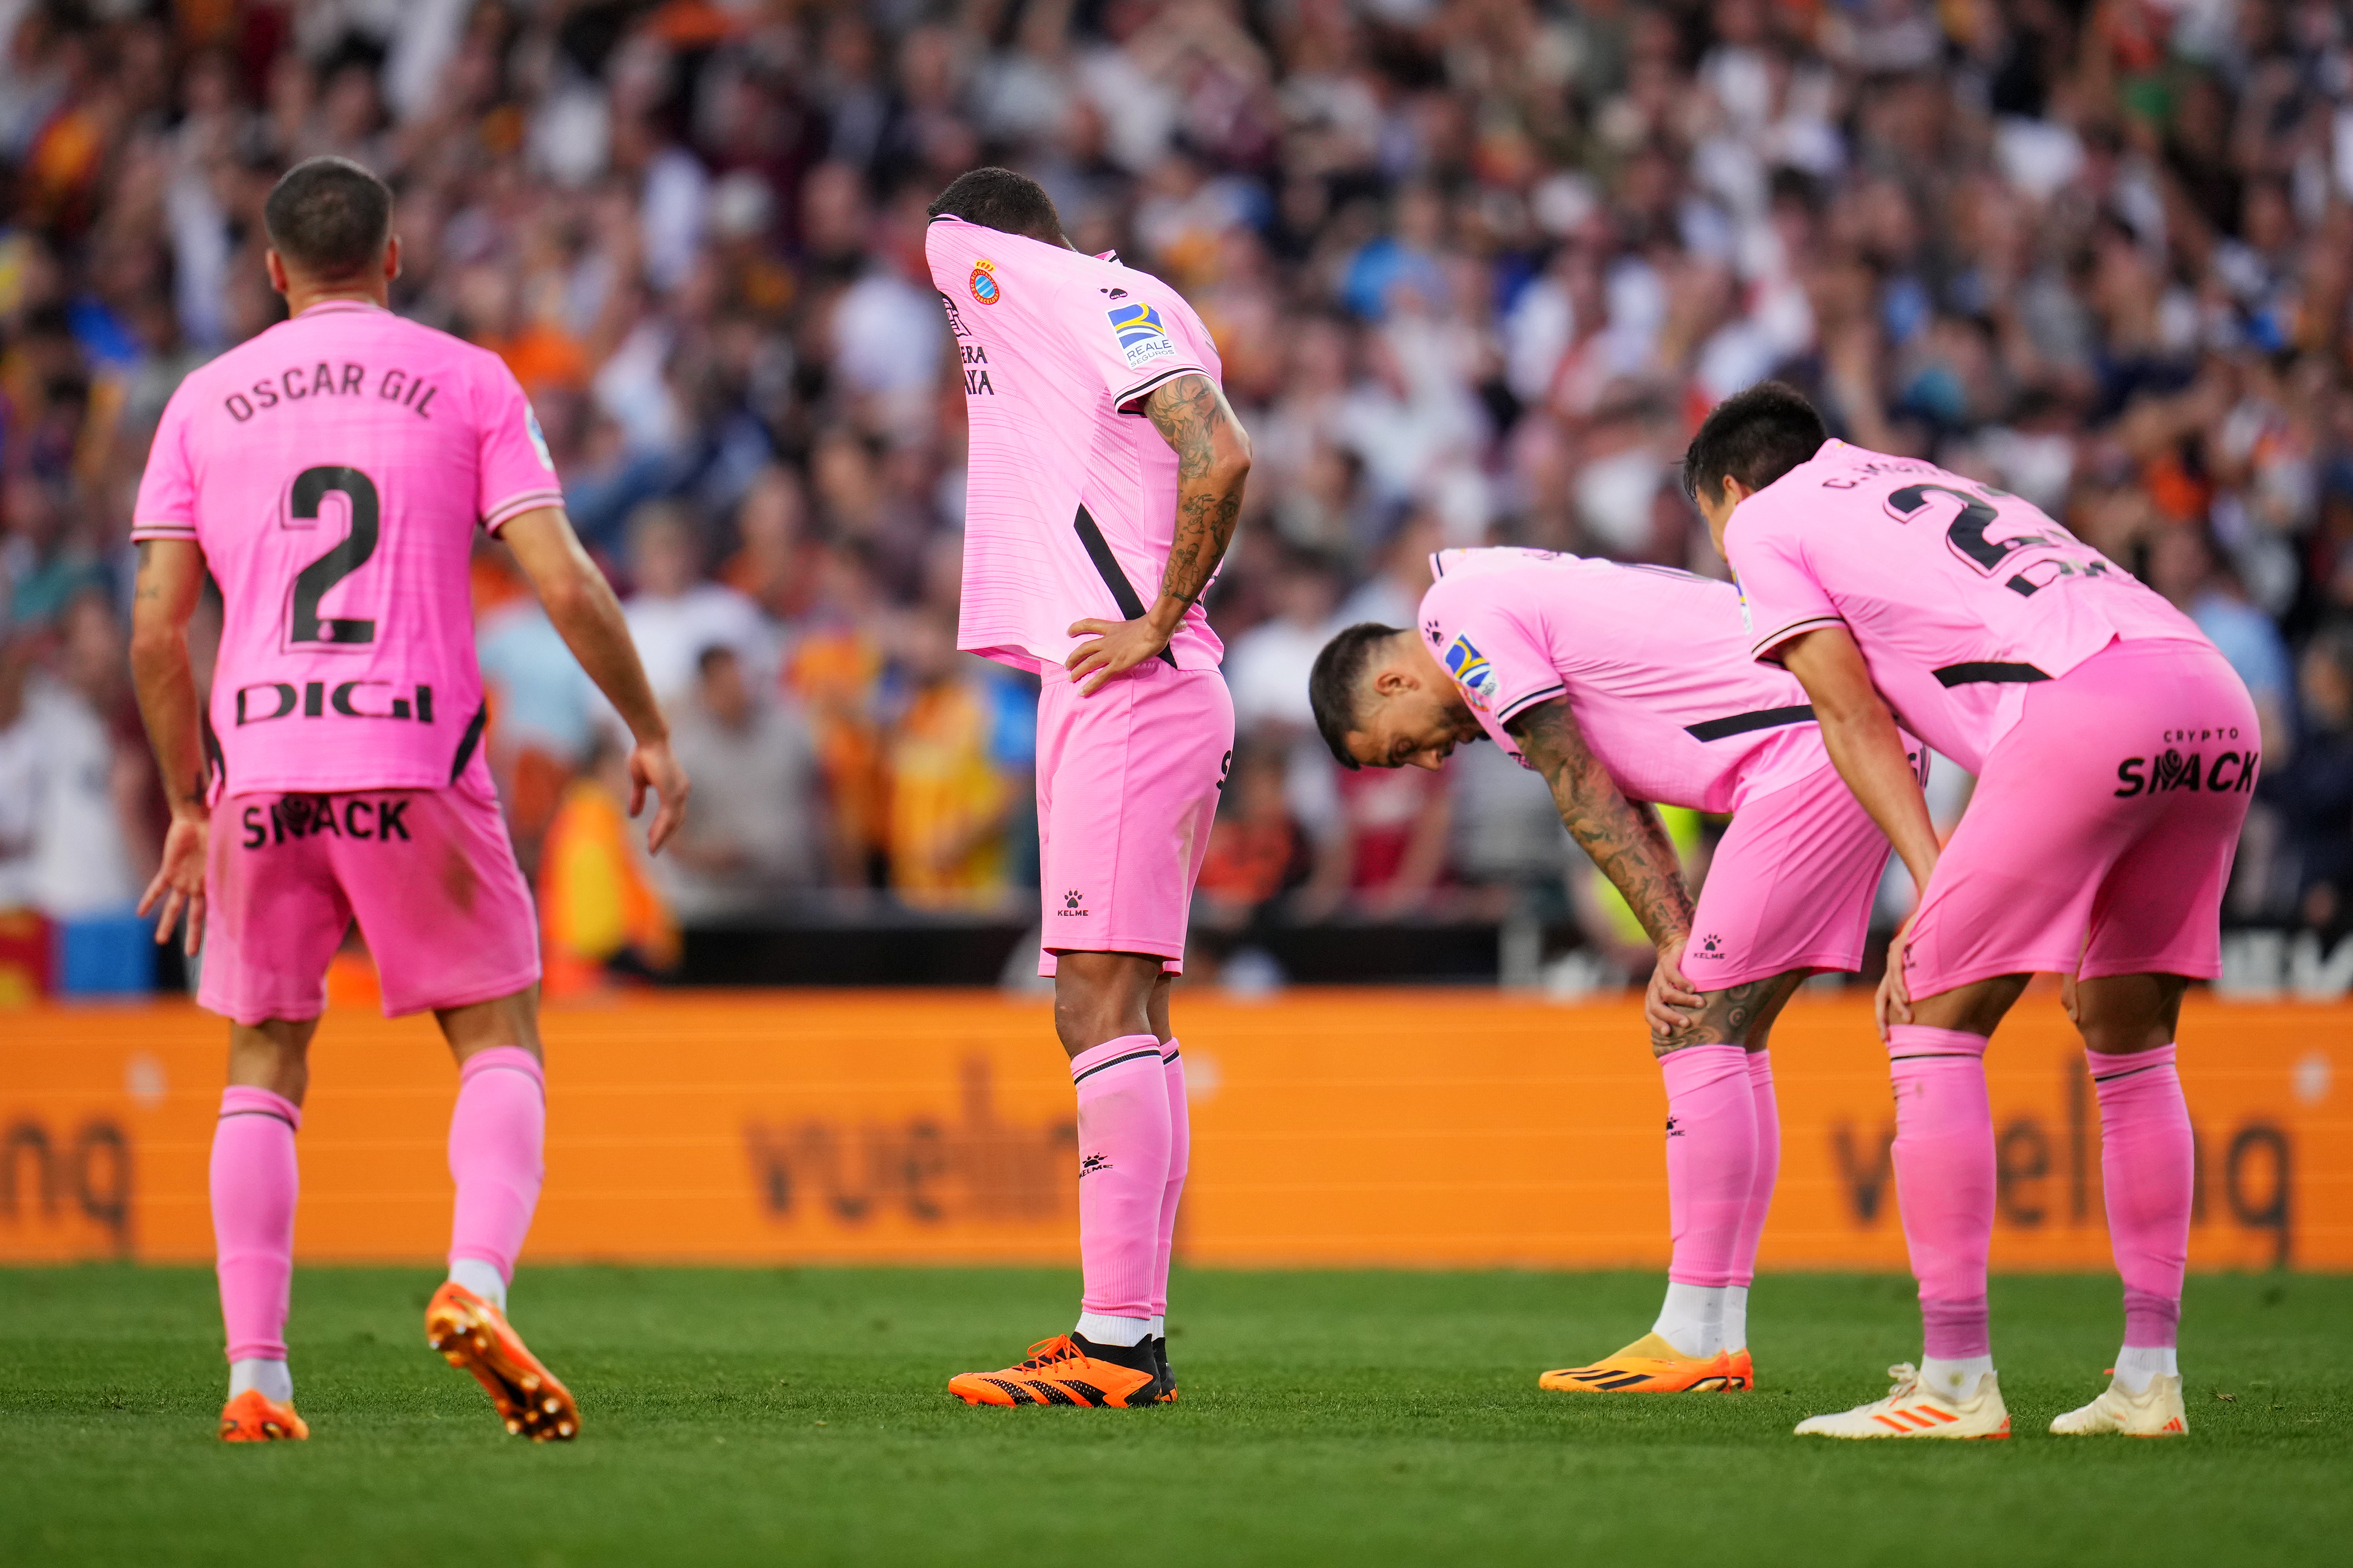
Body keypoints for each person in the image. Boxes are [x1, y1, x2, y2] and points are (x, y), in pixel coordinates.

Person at [126, 158, 689, 1445]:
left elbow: (157, 631)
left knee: (264, 1055)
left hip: (260, 761)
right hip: (415, 753)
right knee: (496, 1028)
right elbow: (560, 577)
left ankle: (256, 1377)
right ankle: (476, 1280)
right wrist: (646, 726)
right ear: (393, 256)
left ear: (273, 270)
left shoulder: (201, 402)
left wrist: (187, 800)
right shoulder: (467, 377)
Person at [1691, 381, 2252, 1440]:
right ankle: (2148, 1380)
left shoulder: (1766, 516)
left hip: (2086, 707)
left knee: (1926, 1016)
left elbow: (1847, 711)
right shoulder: (1914, 477)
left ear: (1726, 490)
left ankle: (1952, 1382)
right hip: (2210, 696)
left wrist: (1929, 879)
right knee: (2128, 1036)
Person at [1308, 546, 1912, 1394]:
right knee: (1731, 1035)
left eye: (1398, 750)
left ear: (1389, 686)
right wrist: (1675, 929)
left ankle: (1694, 1333)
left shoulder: (1459, 620)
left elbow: (1575, 775)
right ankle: (1714, 1334)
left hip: (1809, 751)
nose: (1428, 764)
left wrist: (1672, 938)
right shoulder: (1508, 609)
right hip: (1839, 740)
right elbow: (1619, 791)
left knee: (1693, 1019)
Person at [924, 167, 1249, 1408]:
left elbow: (1219, 450)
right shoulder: (1101, 306)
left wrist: (1154, 618)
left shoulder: (1084, 289)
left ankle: (1118, 1343)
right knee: (1124, 1008)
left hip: (1135, 675)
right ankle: (1127, 1331)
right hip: (1115, 678)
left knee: (1098, 1002)